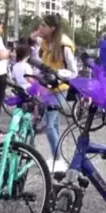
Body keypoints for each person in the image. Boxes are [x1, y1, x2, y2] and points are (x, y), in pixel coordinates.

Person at [38, 14, 78, 173]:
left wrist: (58, 75)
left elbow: (73, 71)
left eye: (43, 26)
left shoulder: (64, 45)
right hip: (45, 88)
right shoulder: (45, 43)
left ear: (52, 28)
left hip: (59, 89)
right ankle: (56, 156)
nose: (39, 28)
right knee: (53, 125)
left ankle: (59, 160)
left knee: (49, 125)